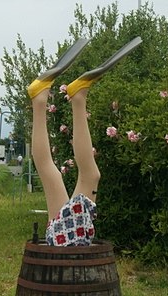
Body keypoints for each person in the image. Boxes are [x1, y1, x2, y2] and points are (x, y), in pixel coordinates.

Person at [28, 37, 142, 246]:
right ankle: (75, 97)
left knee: (84, 174)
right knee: (70, 174)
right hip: (65, 239)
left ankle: (47, 99)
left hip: (67, 242)